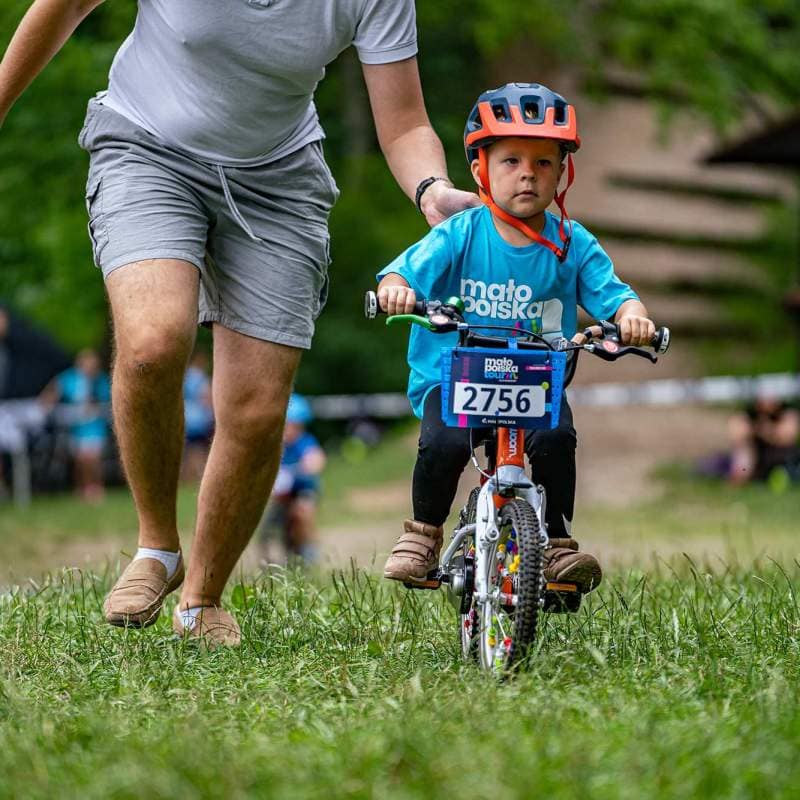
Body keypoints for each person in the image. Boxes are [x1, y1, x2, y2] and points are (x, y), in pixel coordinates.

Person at [0, 0, 478, 647]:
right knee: (151, 343)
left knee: (254, 409)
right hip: (147, 148)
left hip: (279, 181)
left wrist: (431, 190)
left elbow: (403, 122)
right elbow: (62, 7)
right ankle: (158, 547)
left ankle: (203, 599)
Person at [375, 83, 657, 592]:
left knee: (556, 438)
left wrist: (633, 315)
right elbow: (404, 273)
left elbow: (615, 295)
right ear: (480, 169)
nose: (528, 173)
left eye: (544, 163)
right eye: (511, 161)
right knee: (443, 441)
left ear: (561, 172)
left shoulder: (571, 242)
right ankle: (423, 534)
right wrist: (396, 289)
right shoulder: (460, 232)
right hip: (457, 376)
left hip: (534, 379)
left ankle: (555, 546)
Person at [260, 394, 326, 564]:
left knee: (302, 512)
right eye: (288, 426)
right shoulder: (275, 445)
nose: (291, 430)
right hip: (281, 495)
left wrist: (308, 465)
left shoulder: (304, 442)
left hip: (303, 490)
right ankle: (269, 560)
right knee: (267, 526)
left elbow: (316, 458)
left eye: (296, 426)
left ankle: (309, 550)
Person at [41, 348, 111, 503]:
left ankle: (96, 487)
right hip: (76, 426)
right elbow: (51, 393)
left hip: (95, 425)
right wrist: (48, 406)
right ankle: (82, 488)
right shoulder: (69, 378)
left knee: (92, 457)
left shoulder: (101, 381)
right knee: (79, 460)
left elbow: (108, 400)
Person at [728, 395, 800, 485]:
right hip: (758, 457)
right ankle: (740, 477)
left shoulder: (787, 411)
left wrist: (766, 432)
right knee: (744, 450)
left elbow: (787, 437)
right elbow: (737, 435)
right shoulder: (749, 413)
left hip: (782, 459)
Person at [181, 350, 214, 483]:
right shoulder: (200, 377)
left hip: (186, 417)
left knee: (188, 451)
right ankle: (201, 477)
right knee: (200, 450)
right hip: (199, 419)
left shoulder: (185, 376)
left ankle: (187, 478)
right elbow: (206, 397)